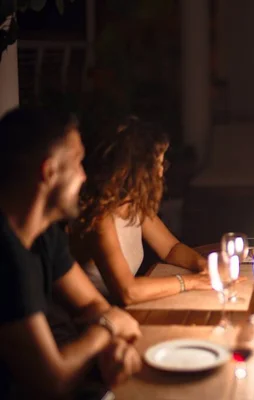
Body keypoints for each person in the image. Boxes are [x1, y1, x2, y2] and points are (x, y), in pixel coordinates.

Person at [0, 107, 142, 399]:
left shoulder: (44, 234)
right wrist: (106, 330)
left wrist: (109, 341)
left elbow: (93, 304)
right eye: (77, 162)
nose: (84, 175)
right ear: (49, 171)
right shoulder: (4, 255)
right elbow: (52, 380)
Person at [70, 117, 211, 306]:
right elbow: (128, 291)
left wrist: (203, 266)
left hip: (125, 312)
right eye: (157, 164)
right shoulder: (100, 216)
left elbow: (170, 248)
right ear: (135, 170)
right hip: (94, 320)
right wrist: (192, 282)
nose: (161, 172)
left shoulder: (133, 204)